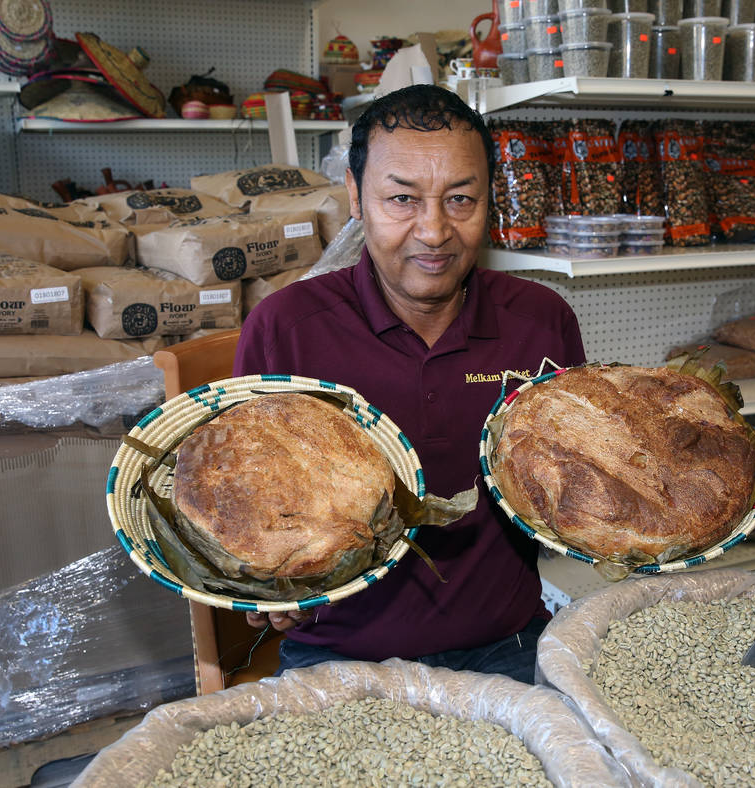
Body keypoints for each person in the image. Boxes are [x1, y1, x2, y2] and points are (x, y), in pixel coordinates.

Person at [233, 84, 585, 684]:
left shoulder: (542, 321)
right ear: (354, 195)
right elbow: (247, 501)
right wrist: (260, 585)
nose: (433, 231)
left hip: (509, 644)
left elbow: (570, 483)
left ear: (489, 200)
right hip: (339, 652)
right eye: (401, 199)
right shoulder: (285, 329)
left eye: (461, 199)